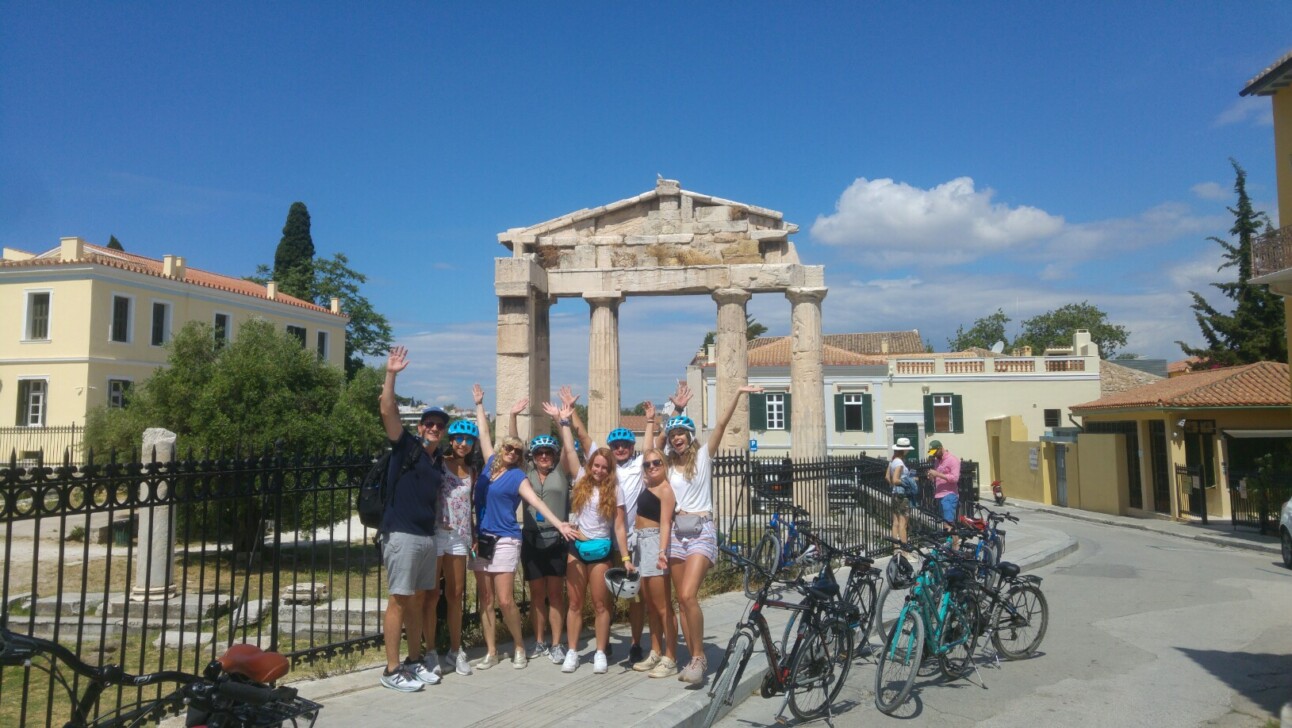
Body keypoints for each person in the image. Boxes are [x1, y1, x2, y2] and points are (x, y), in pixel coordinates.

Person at [470, 384, 577, 670]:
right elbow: (483, 434)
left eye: (516, 451)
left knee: (505, 599)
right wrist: (480, 404)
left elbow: (538, 506)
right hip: (482, 539)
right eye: (508, 448)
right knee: (487, 599)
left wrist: (560, 524)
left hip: (507, 537)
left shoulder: (519, 476)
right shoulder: (490, 463)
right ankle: (492, 652)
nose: (512, 452)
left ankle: (519, 645)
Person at [663, 383, 762, 685]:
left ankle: (698, 658)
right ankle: (693, 653)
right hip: (678, 531)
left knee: (689, 594)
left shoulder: (704, 456)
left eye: (681, 434)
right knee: (681, 599)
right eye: (673, 435)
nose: (677, 438)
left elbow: (720, 424)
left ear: (690, 437)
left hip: (703, 529)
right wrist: (675, 410)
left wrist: (739, 393)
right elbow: (653, 447)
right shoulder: (668, 465)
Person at [558, 385, 647, 664]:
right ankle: (575, 650)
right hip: (579, 545)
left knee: (608, 602)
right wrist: (565, 419)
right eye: (595, 466)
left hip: (609, 545)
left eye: (603, 467)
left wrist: (625, 557)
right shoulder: (582, 476)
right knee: (575, 602)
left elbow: (619, 526)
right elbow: (577, 446)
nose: (598, 469)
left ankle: (608, 649)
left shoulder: (621, 481)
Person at [376, 346, 446, 692]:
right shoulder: (406, 446)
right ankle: (391, 670)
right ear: (420, 426)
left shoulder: (437, 462)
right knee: (399, 600)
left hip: (425, 536)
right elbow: (387, 409)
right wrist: (391, 374)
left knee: (418, 599)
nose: (434, 428)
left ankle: (415, 661)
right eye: (429, 423)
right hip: (401, 533)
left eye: (439, 425)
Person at [509, 398, 574, 666]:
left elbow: (569, 449)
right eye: (539, 454)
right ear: (532, 458)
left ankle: (557, 643)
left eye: (548, 452)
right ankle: (539, 640)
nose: (544, 456)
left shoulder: (562, 472)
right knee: (537, 595)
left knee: (556, 594)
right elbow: (511, 446)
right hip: (532, 539)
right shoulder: (525, 474)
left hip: (558, 538)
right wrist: (513, 415)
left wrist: (562, 420)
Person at [423, 418, 480, 678]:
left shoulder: (472, 471)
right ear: (452, 440)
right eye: (459, 439)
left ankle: (456, 650)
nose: (463, 444)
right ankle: (430, 650)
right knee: (432, 594)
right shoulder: (439, 463)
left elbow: (471, 506)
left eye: (468, 440)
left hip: (459, 536)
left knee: (455, 595)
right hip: (436, 532)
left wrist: (474, 535)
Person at [629, 446, 678, 678]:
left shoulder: (665, 489)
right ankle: (655, 651)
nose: (651, 467)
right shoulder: (649, 485)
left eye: (656, 463)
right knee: (649, 604)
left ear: (664, 464)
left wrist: (662, 551)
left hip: (654, 543)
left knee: (662, 606)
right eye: (647, 464)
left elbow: (666, 522)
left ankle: (671, 656)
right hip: (640, 544)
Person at [926, 439, 962, 530]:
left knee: (948, 524)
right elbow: (938, 477)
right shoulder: (937, 461)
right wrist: (932, 477)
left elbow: (955, 478)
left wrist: (937, 474)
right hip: (939, 495)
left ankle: (955, 544)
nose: (934, 455)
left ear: (941, 448)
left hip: (949, 495)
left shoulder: (952, 460)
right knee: (946, 524)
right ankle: (952, 543)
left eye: (935, 452)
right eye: (932, 453)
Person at [886, 437, 913, 548]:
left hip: (895, 493)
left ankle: (896, 549)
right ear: (905, 450)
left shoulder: (892, 461)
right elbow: (895, 479)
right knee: (903, 524)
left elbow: (887, 477)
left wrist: (893, 487)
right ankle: (905, 552)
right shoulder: (900, 463)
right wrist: (909, 481)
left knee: (895, 523)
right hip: (902, 495)